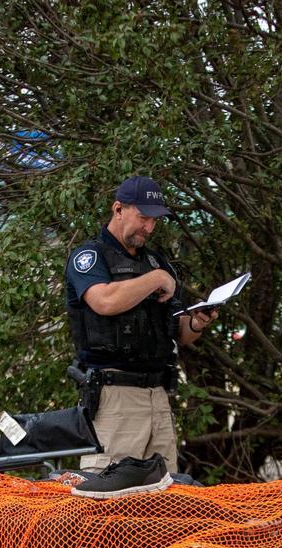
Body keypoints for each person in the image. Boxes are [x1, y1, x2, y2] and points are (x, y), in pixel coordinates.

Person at [65, 175, 217, 473]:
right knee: (110, 496)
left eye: (155, 221)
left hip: (157, 395)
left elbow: (178, 333)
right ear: (118, 209)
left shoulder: (158, 263)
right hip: (114, 396)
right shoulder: (90, 257)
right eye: (143, 217)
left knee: (165, 495)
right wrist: (157, 280)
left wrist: (197, 323)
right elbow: (104, 301)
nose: (149, 227)